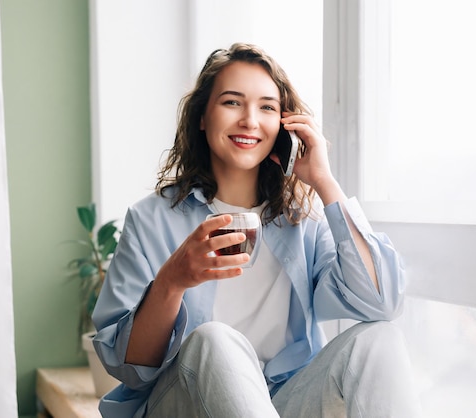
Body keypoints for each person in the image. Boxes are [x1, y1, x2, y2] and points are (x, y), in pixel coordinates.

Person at [91, 42, 422, 418]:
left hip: (277, 404)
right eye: (232, 102)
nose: (250, 120)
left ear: (283, 125)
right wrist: (173, 280)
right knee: (215, 340)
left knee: (379, 339)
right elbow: (128, 366)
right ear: (202, 116)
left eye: (266, 107)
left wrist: (325, 182)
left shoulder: (304, 221)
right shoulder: (152, 219)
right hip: (183, 403)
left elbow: (381, 303)